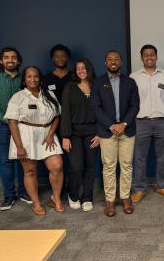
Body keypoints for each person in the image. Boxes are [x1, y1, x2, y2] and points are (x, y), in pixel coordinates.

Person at [5, 66, 64, 216]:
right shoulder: (18, 97)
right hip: (25, 135)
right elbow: (12, 122)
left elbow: (57, 115)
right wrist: (19, 146)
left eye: (36, 76)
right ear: (24, 80)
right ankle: (36, 203)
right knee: (30, 171)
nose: (33, 79)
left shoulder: (49, 94)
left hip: (47, 134)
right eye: (29, 77)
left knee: (57, 166)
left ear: (40, 78)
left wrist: (51, 133)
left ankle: (55, 199)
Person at [92, 51, 139, 216]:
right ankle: (110, 200)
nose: (113, 62)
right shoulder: (98, 82)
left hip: (127, 130)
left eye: (116, 59)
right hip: (107, 131)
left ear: (121, 62)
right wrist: (112, 125)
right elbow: (95, 108)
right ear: (105, 62)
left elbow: (135, 106)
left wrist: (124, 124)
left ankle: (125, 198)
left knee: (126, 165)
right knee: (109, 166)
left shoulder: (130, 82)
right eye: (110, 59)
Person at [130, 45, 164, 202]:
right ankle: (139, 189)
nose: (149, 57)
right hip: (140, 123)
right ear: (141, 57)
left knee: (162, 156)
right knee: (139, 157)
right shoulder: (134, 76)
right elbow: (130, 101)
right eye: (146, 55)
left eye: (152, 55)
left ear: (156, 56)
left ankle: (162, 186)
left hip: (162, 122)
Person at [0, 47, 31, 211]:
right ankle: (9, 195)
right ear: (1, 61)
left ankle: (25, 192)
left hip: (24, 127)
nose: (10, 60)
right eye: (6, 57)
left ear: (18, 61)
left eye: (13, 57)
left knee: (24, 161)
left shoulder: (25, 79)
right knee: (6, 163)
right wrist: (9, 121)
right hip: (3, 127)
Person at [61, 58, 100, 212]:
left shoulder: (97, 86)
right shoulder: (70, 87)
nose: (81, 71)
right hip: (74, 133)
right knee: (76, 167)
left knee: (90, 167)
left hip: (93, 132)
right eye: (78, 69)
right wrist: (65, 136)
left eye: (84, 68)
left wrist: (100, 133)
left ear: (89, 69)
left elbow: (104, 111)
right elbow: (65, 112)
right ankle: (73, 195)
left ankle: (87, 198)